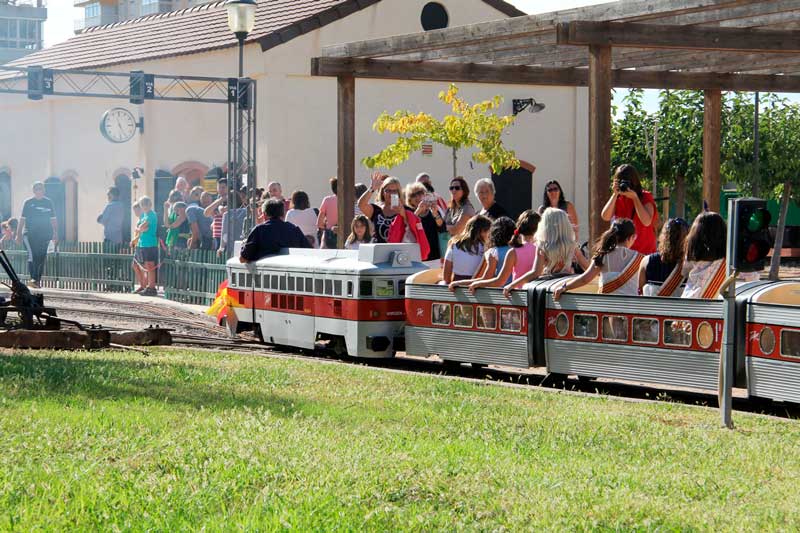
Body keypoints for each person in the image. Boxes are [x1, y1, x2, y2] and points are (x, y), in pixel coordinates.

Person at [503, 208, 588, 298]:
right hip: (566, 287)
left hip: (548, 288)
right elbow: (587, 267)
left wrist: (512, 285)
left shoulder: (542, 246)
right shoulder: (572, 245)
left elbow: (535, 272)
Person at [553, 218, 641, 300]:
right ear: (631, 237)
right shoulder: (640, 258)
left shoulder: (602, 255)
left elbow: (585, 279)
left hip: (606, 310)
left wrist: (564, 287)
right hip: (631, 312)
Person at [465, 210, 540, 292]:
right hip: (534, 295)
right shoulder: (540, 250)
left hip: (510, 295)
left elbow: (493, 280)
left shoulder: (508, 252)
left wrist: (473, 283)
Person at [601, 164, 658, 254]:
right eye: (620, 182)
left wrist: (635, 198)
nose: (624, 184)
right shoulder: (618, 199)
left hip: (644, 253)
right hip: (625, 254)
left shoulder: (645, 197)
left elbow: (646, 222)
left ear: (633, 182)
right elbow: (605, 216)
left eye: (626, 181)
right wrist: (615, 194)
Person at [449, 216, 516, 290]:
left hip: (501, 295)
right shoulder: (518, 250)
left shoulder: (493, 253)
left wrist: (459, 283)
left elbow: (485, 279)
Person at [240, 198, 311, 262]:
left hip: (266, 274)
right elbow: (309, 252)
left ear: (264, 215)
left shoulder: (259, 230)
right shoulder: (294, 229)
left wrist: (244, 245)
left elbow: (243, 258)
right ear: (283, 214)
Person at [15, 181, 58, 289]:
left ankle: (37, 281)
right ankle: (33, 279)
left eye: (41, 189)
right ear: (34, 191)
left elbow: (53, 220)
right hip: (29, 235)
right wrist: (18, 234)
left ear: (44, 190)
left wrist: (55, 233)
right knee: (32, 256)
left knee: (41, 258)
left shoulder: (49, 202)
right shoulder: (28, 202)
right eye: (37, 189)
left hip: (45, 235)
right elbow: (22, 219)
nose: (39, 191)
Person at [680, 212, 728, 299]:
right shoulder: (728, 265)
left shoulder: (691, 256)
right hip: (714, 309)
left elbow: (684, 273)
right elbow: (752, 278)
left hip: (688, 303)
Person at [638, 217, 690, 296]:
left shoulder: (646, 261)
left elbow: (640, 293)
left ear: (663, 236)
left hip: (652, 308)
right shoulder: (691, 265)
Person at [358, 172, 406, 243]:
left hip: (400, 251)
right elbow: (361, 205)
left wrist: (403, 213)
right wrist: (372, 188)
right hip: (379, 250)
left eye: (394, 191)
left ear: (399, 192)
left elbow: (413, 224)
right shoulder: (377, 209)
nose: (391, 194)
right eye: (388, 191)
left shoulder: (406, 209)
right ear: (382, 192)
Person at [442, 215, 491, 284]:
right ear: (482, 231)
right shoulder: (488, 249)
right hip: (478, 289)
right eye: (488, 231)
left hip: (456, 288)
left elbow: (446, 278)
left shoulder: (453, 245)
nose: (489, 235)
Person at [405, 182, 444, 263]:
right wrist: (418, 211)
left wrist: (435, 214)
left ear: (425, 195)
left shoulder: (432, 210)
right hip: (416, 257)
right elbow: (408, 229)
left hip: (434, 257)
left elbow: (442, 228)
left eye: (419, 193)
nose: (417, 197)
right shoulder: (409, 213)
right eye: (413, 195)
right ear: (410, 200)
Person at [133, 196, 159, 296]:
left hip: (150, 243)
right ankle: (148, 286)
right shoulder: (144, 215)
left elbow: (142, 227)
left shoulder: (152, 215)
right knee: (146, 266)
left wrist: (140, 228)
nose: (144, 206)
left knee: (150, 266)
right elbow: (139, 227)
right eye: (142, 204)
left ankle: (151, 287)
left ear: (150, 204)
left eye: (146, 204)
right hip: (143, 243)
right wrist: (140, 228)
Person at [219, 186, 248, 259]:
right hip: (245, 244)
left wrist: (221, 248)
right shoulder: (246, 212)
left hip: (232, 247)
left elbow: (225, 234)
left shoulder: (227, 215)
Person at [203, 178, 228, 250]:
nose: (221, 189)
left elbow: (224, 212)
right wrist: (220, 200)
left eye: (223, 187)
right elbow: (206, 213)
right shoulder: (218, 200)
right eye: (219, 187)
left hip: (226, 235)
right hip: (216, 236)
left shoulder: (232, 199)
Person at [317, 176, 338, 249]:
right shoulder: (350, 201)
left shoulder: (327, 200)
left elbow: (319, 223)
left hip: (330, 237)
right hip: (347, 235)